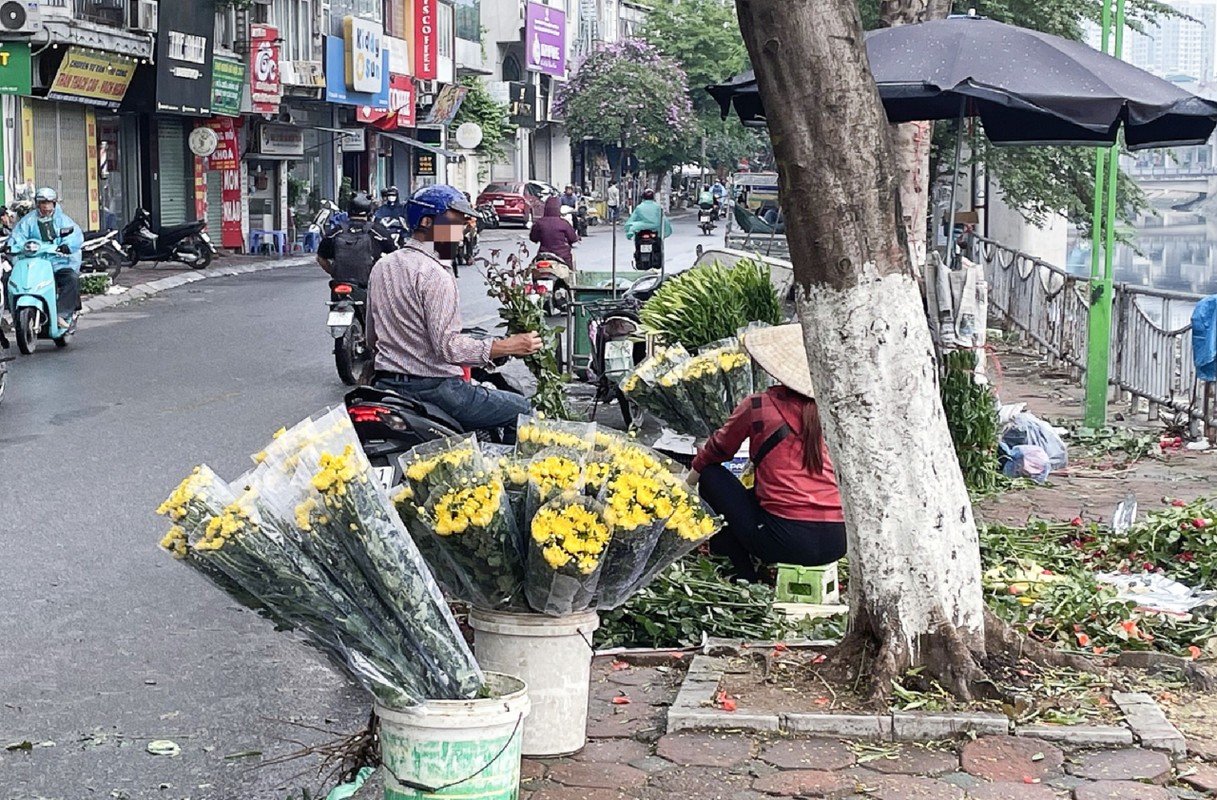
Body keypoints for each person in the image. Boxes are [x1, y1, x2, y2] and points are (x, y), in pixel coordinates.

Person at [367, 185, 541, 438]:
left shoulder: (383, 266)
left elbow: (373, 338)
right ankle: (506, 473)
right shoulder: (435, 274)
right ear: (427, 222)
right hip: (434, 388)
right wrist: (508, 346)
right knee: (522, 409)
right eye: (455, 225)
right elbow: (448, 347)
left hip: (385, 384)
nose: (461, 234)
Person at [689, 324, 846, 583]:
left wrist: (689, 480)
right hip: (838, 541)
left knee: (711, 477)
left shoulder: (760, 405)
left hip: (783, 540)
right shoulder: (836, 410)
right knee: (747, 500)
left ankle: (744, 576)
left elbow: (718, 450)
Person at [9, 187, 84, 330]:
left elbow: (74, 235)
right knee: (11, 281)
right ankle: (17, 315)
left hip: (58, 263)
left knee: (71, 279)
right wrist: (12, 246)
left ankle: (62, 314)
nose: (46, 206)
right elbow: (18, 236)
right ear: (37, 204)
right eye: (42, 203)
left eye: (49, 203)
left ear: (54, 204)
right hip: (36, 263)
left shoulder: (63, 220)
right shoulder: (28, 221)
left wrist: (66, 246)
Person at [317, 192, 396, 286]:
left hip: (340, 282)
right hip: (368, 283)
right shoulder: (376, 231)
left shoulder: (336, 231)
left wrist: (333, 272)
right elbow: (394, 255)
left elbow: (320, 257)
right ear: (369, 210)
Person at [529, 196, 579, 269]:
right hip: (562, 256)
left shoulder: (539, 223)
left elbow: (533, 238)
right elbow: (573, 238)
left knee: (534, 270)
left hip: (543, 255)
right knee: (570, 272)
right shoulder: (564, 224)